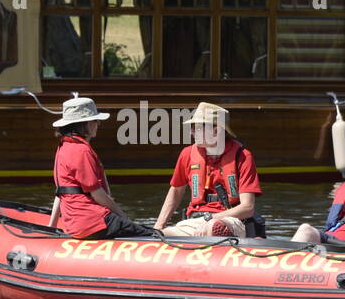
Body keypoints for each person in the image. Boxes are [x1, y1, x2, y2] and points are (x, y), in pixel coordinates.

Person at [48, 95, 158, 239]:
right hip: (92, 221)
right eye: (95, 120)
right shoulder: (81, 150)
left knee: (136, 228)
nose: (98, 124)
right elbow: (97, 194)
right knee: (152, 234)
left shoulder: (63, 147)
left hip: (75, 225)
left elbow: (61, 193)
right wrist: (123, 216)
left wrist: (51, 227)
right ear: (84, 124)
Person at [155, 102, 262, 238]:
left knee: (213, 228)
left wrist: (210, 219)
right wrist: (159, 226)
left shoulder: (243, 156)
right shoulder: (187, 154)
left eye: (196, 127)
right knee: (160, 235)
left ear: (216, 130)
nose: (191, 132)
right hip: (195, 222)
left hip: (231, 220)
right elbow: (176, 191)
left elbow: (247, 208)